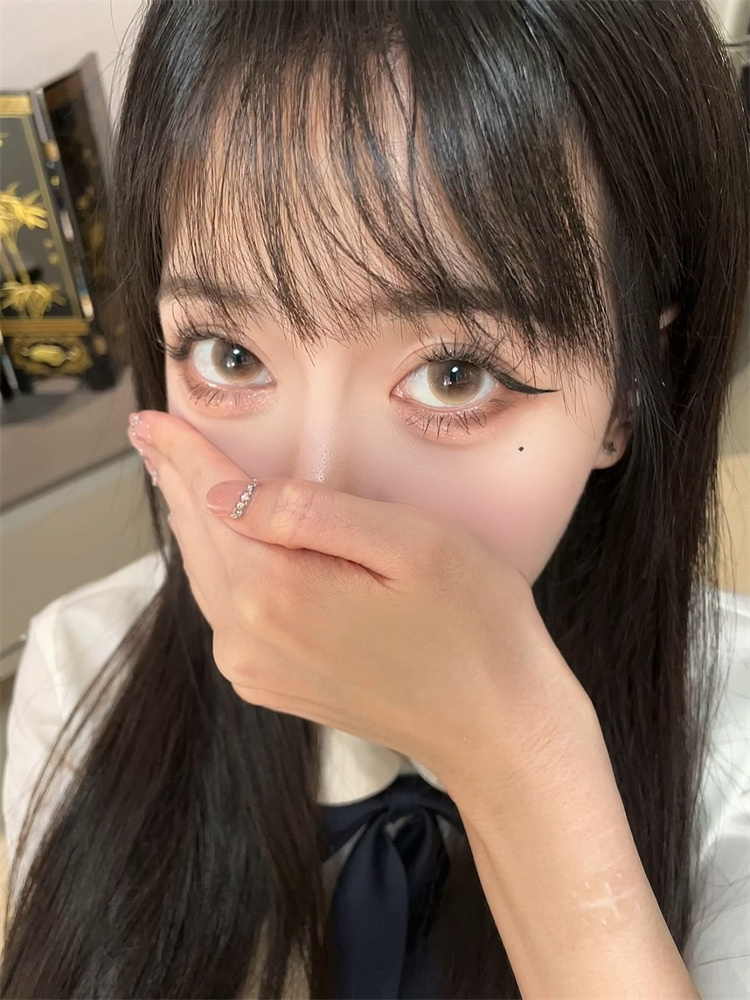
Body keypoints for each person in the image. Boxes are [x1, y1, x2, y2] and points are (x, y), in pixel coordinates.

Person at [2, 1, 748, 996]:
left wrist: (516, 761)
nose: (309, 502)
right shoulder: (80, 668)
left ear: (629, 389)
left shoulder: (735, 755)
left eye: (454, 373)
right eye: (229, 354)